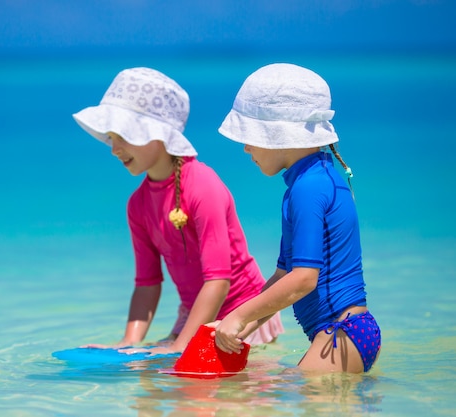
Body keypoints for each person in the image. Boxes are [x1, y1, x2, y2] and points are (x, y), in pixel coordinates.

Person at [73, 67, 284, 354]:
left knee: (226, 395)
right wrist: (128, 343)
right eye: (111, 137)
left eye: (124, 135)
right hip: (194, 312)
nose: (114, 149)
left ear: (158, 134)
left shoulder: (202, 186)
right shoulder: (138, 205)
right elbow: (147, 283)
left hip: (242, 313)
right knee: (153, 380)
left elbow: (219, 280)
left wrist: (181, 346)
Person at [212, 63, 381, 373]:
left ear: (280, 134)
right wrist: (240, 324)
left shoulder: (308, 189)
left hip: (339, 334)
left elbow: (303, 279)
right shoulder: (315, 180)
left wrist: (237, 317)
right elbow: (282, 277)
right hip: (350, 333)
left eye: (251, 135)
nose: (246, 147)